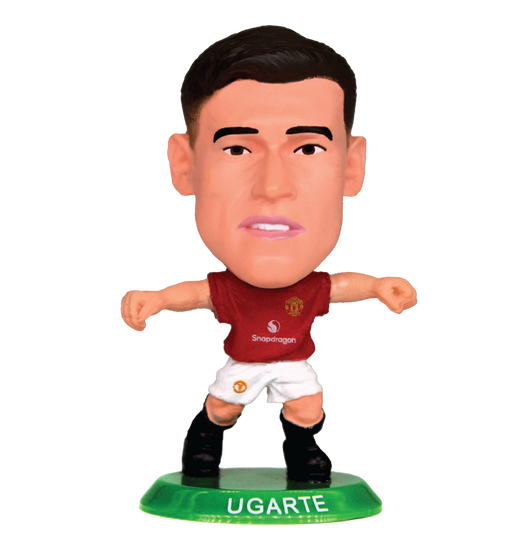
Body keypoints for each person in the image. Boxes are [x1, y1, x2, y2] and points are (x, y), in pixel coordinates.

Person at [119, 23, 419, 483]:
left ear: (352, 166)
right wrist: (157, 298)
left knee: (308, 406)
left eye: (308, 148)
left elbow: (343, 286)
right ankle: (203, 443)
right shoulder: (230, 289)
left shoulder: (312, 288)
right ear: (184, 165)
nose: (273, 187)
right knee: (223, 407)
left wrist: (379, 287)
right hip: (245, 360)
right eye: (238, 148)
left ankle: (303, 451)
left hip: (293, 360)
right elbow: (196, 294)